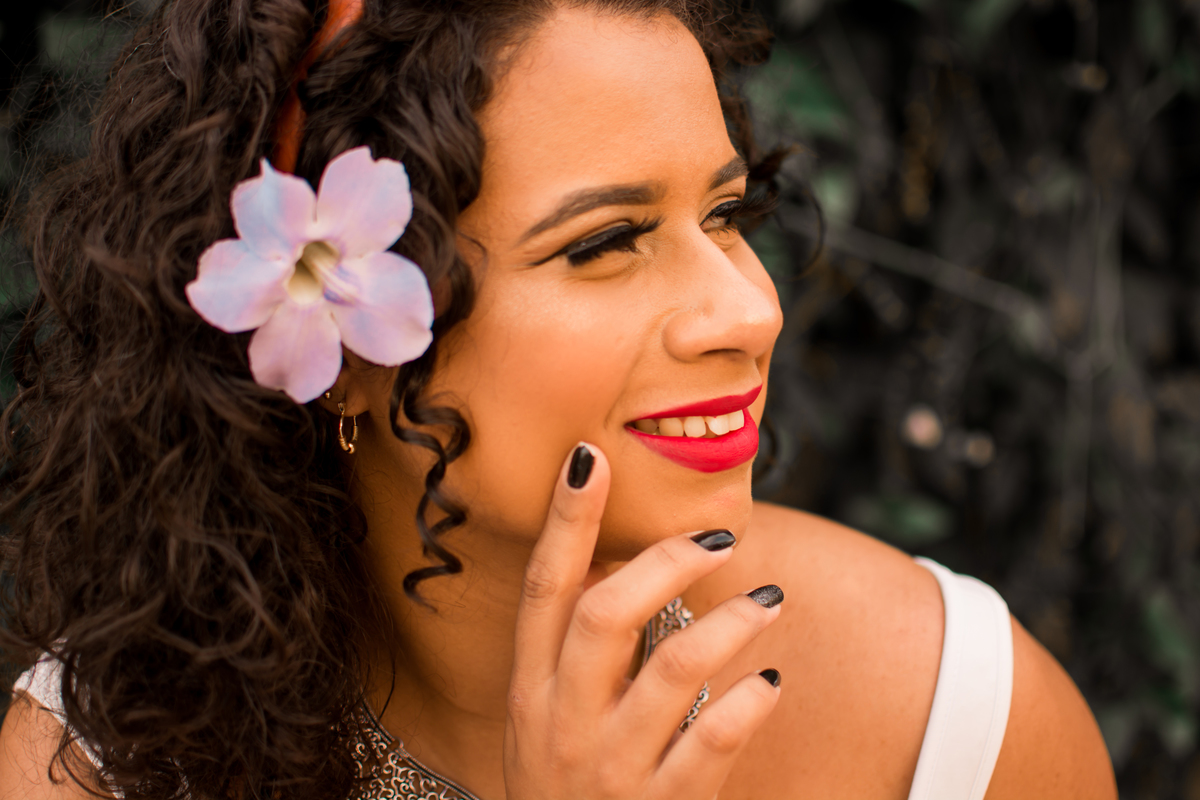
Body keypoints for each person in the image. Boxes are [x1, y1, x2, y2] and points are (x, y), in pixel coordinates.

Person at [0, 0, 1116, 797]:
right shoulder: (106, 765)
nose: (750, 310)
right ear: (339, 346)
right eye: (607, 240)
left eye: (725, 214)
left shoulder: (952, 718)